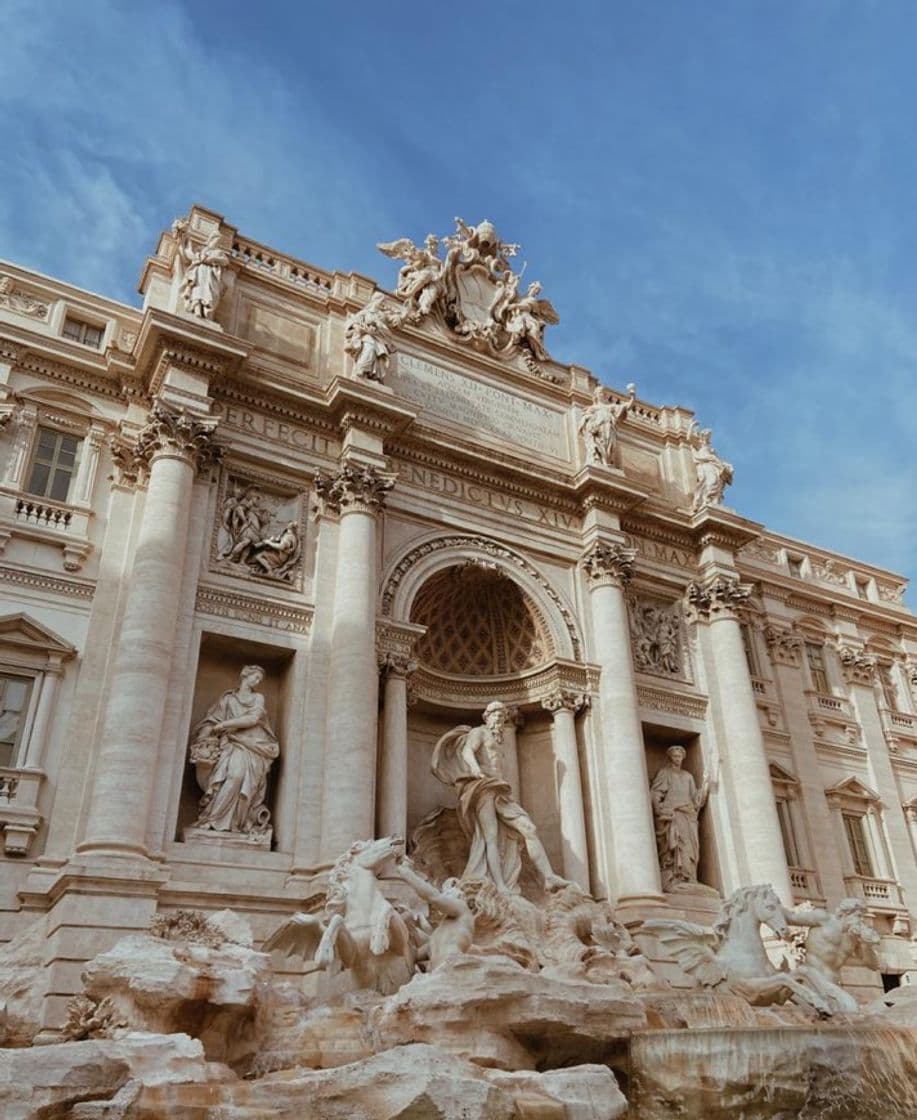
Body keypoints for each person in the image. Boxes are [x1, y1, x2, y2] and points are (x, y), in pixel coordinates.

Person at [431, 701, 568, 895]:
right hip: (483, 786)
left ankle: (548, 877)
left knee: (528, 828)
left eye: (502, 716)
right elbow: (467, 751)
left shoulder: (500, 741)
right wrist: (476, 770)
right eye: (496, 715)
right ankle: (500, 886)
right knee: (491, 838)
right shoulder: (480, 732)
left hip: (500, 792)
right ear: (487, 717)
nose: (499, 719)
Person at [190, 665, 280, 835]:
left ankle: (236, 823)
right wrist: (205, 736)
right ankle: (212, 819)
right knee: (233, 776)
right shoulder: (228, 699)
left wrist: (225, 725)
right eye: (255, 677)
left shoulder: (258, 698)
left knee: (241, 778)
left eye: (260, 679)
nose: (257, 681)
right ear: (245, 676)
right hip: (230, 744)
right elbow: (211, 721)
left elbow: (253, 718)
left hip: (253, 745)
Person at [783, 898, 880, 1012]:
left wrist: (866, 944)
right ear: (846, 914)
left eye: (863, 916)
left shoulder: (854, 938)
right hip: (809, 979)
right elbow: (790, 918)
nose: (861, 920)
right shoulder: (824, 919)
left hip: (832, 986)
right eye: (858, 916)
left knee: (845, 1015)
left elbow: (873, 965)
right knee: (851, 1009)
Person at [395, 856, 474, 970]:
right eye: (444, 892)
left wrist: (406, 872)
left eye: (449, 891)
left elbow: (433, 897)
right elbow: (413, 956)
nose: (445, 895)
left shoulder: (463, 910)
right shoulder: (438, 936)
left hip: (450, 975)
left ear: (461, 895)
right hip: (436, 978)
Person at [650, 745, 709, 891]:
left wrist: (705, 788)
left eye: (679, 756)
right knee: (677, 844)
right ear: (670, 757)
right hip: (674, 814)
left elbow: (695, 798)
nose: (677, 759)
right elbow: (656, 793)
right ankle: (677, 876)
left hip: (688, 814)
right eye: (674, 756)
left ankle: (690, 876)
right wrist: (659, 809)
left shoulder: (688, 776)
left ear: (683, 757)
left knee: (691, 846)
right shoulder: (665, 773)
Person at [175, 225, 230, 320]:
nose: (216, 241)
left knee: (208, 292)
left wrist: (213, 258)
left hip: (210, 274)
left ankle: (205, 311)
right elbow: (189, 254)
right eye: (215, 238)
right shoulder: (201, 249)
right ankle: (197, 310)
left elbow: (225, 261)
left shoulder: (218, 252)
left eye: (218, 240)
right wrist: (183, 239)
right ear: (211, 239)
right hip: (200, 272)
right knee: (198, 290)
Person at [579, 383, 635, 467]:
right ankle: (600, 460)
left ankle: (607, 462)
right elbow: (585, 420)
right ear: (596, 396)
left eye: (604, 393)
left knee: (610, 446)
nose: (603, 395)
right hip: (599, 430)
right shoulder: (592, 408)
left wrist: (632, 396)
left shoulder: (609, 407)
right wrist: (591, 426)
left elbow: (626, 407)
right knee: (599, 446)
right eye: (600, 393)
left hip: (608, 428)